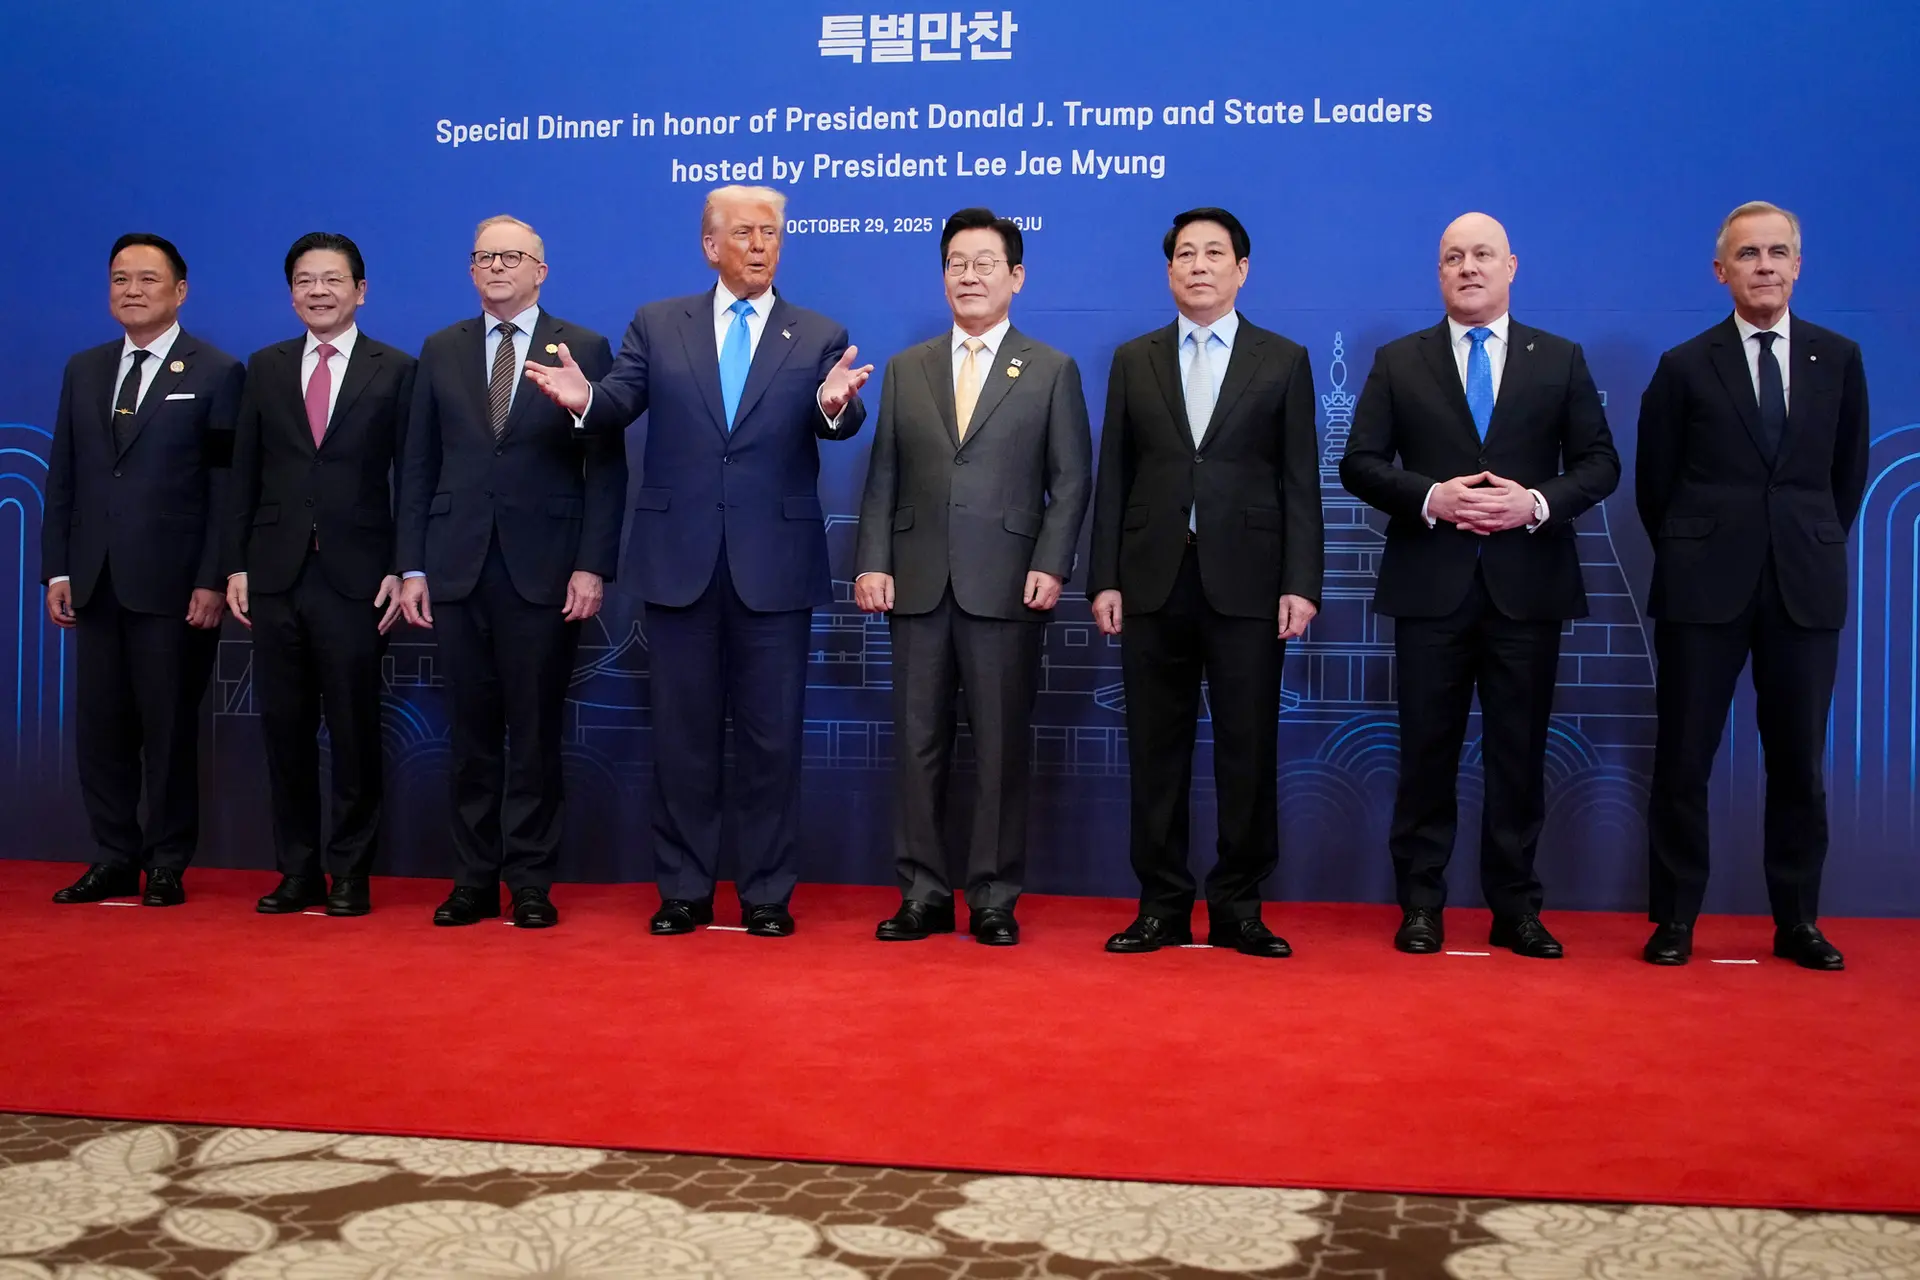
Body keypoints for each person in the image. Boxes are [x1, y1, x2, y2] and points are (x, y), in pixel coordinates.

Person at [524, 185, 870, 938]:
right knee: (681, 736)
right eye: (744, 232)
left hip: (772, 567)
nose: (760, 244)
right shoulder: (658, 323)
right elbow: (617, 399)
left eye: (771, 232)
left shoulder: (816, 332)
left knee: (773, 740)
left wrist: (836, 404)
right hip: (680, 560)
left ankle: (767, 894)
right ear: (710, 245)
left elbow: (833, 415)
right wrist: (585, 398)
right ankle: (681, 888)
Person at [1340, 212, 1619, 958]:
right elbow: (1360, 462)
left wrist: (1534, 503)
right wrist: (1434, 497)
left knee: (1519, 756)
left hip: (1528, 587)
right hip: (1432, 587)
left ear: (1512, 266)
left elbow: (1600, 463)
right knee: (1426, 752)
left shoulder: (1559, 359)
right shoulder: (1400, 360)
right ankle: (1421, 904)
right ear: (1439, 273)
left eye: (1483, 255)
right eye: (1453, 257)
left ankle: (1516, 907)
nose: (1468, 266)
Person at [1636, 201, 1869, 970]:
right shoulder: (1683, 365)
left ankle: (1798, 921)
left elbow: (1845, 479)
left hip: (1803, 585)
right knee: (1683, 760)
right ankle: (1673, 920)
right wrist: (1704, 547)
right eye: (1748, 255)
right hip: (1704, 590)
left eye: (1777, 253)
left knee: (1799, 762)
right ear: (1721, 270)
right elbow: (1655, 489)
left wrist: (1798, 539)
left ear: (1798, 265)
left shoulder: (1838, 359)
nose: (1763, 266)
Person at [852, 207, 1093, 946]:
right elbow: (883, 475)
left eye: (985, 262)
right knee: (917, 745)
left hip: (1007, 586)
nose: (969, 275)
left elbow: (1072, 478)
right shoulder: (906, 368)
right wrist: (872, 561)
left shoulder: (1050, 369)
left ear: (1016, 277)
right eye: (957, 262)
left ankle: (993, 896)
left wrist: (1051, 563)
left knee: (997, 748)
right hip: (918, 585)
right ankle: (921, 893)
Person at [1086, 207, 1322, 958]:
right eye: (1184, 254)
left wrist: (1302, 581)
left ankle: (1239, 906)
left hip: (1251, 585)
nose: (1198, 265)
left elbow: (1299, 483)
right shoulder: (1134, 359)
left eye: (1213, 253)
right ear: (1168, 272)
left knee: (1247, 750)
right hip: (1153, 580)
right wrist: (1104, 579)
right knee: (1156, 751)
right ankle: (1159, 904)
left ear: (1242, 269)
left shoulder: (1282, 359)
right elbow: (1114, 476)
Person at [396, 215, 623, 929]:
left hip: (545, 571)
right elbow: (418, 464)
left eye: (511, 257)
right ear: (470, 271)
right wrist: (411, 566)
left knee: (532, 733)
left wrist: (592, 564)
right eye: (483, 257)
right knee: (468, 734)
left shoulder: (580, 346)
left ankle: (530, 879)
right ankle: (471, 879)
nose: (496, 267)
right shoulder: (440, 349)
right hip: (457, 567)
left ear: (540, 271)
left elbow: (605, 469)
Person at [42, 233, 243, 907]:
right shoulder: (84, 369)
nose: (131, 290)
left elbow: (225, 487)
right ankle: (112, 856)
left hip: (175, 587)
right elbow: (64, 476)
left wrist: (213, 577)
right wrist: (57, 571)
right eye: (119, 279)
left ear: (179, 291)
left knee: (168, 730)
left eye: (147, 279)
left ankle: (166, 861)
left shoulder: (216, 372)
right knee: (101, 730)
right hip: (94, 581)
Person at [226, 232, 415, 917]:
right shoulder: (266, 366)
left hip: (358, 577)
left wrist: (403, 564)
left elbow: (413, 478)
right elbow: (242, 473)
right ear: (291, 292)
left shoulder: (396, 369)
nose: (319, 291)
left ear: (360, 290)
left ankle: (351, 871)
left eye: (333, 280)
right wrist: (236, 563)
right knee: (284, 729)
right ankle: (297, 871)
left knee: (355, 728)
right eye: (305, 280)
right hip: (274, 574)